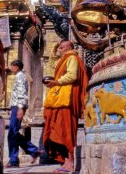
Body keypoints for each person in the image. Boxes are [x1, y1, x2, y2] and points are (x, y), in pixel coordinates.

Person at [43, 40, 88, 173]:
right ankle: (66, 162)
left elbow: (72, 75)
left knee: (67, 129)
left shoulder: (72, 57)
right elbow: (52, 65)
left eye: (61, 48)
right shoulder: (64, 59)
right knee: (60, 129)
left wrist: (57, 82)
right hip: (61, 98)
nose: (60, 50)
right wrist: (54, 49)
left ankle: (70, 163)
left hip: (67, 99)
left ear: (68, 48)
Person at [6, 60, 41, 168]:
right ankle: (33, 151)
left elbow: (22, 92)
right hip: (16, 106)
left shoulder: (20, 76)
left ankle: (13, 160)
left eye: (12, 67)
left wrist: (20, 108)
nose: (11, 69)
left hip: (18, 106)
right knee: (13, 132)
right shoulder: (20, 76)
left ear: (16, 67)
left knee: (12, 132)